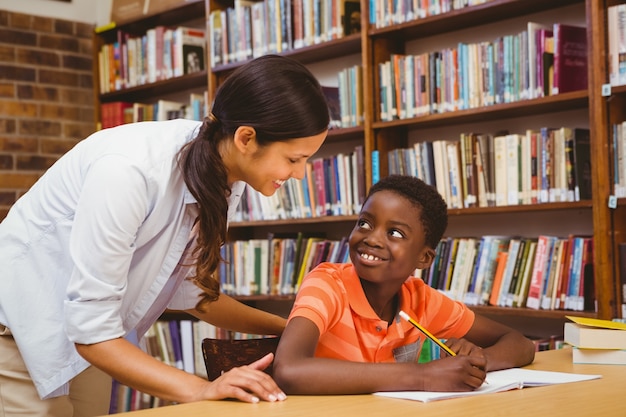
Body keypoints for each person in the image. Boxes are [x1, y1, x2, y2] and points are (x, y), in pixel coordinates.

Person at [0, 54, 330, 416]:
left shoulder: (222, 173)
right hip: (19, 329)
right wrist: (201, 388)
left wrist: (298, 330)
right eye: (294, 159)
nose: (299, 174)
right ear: (246, 138)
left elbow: (196, 296)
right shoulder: (128, 172)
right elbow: (92, 331)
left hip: (85, 338)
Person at [273, 175, 535, 394]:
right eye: (364, 223)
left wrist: (478, 362)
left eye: (394, 233)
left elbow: (520, 343)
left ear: (424, 257)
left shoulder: (423, 300)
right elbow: (289, 369)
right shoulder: (327, 284)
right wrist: (422, 376)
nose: (372, 239)